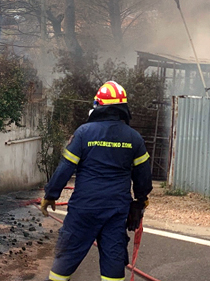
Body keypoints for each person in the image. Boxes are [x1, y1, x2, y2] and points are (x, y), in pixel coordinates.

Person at [40, 81, 153, 281]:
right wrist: (141, 198)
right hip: (116, 210)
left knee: (65, 259)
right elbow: (143, 175)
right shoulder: (134, 138)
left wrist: (51, 195)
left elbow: (65, 167)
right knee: (113, 262)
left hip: (84, 208)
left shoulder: (84, 133)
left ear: (98, 105)